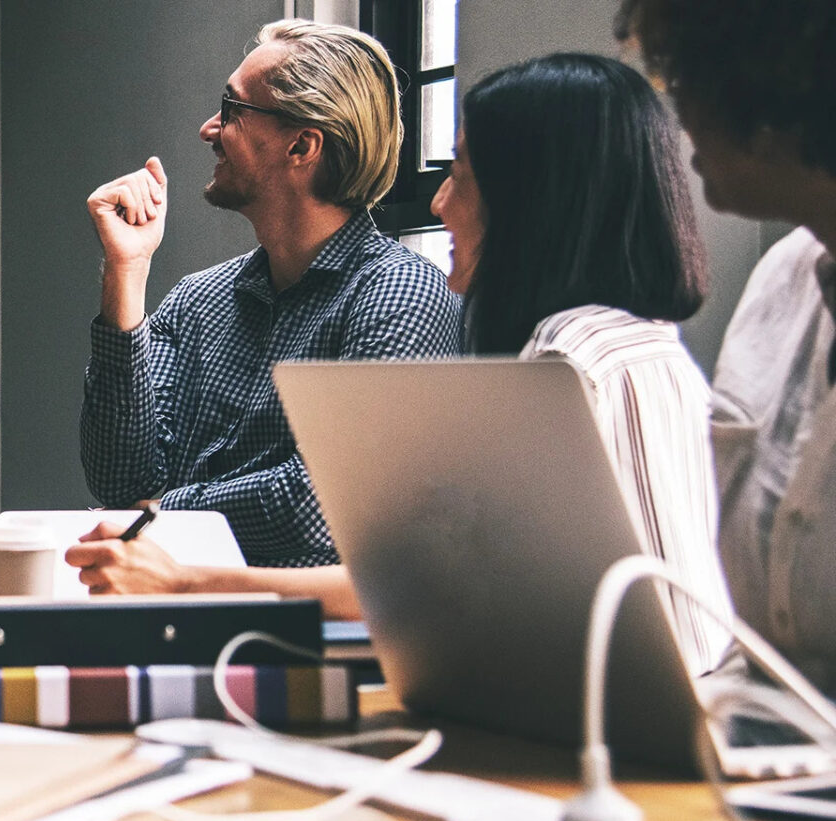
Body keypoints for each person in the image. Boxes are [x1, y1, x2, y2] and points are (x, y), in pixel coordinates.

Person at [69, 53, 735, 676]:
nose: (439, 204)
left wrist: (173, 547)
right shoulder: (619, 349)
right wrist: (125, 278)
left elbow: (413, 571)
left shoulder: (568, 364)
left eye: (459, 175)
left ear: (531, 202)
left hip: (629, 736)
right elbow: (120, 480)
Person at [79, 19, 461, 568]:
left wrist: (161, 513)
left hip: (297, 641)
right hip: (169, 618)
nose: (209, 128)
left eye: (232, 108)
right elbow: (119, 480)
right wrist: (126, 272)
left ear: (302, 146)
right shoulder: (197, 300)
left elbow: (320, 508)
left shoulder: (399, 292)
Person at [615, 0, 836, 690]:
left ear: (769, 90)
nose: (676, 113)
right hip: (768, 758)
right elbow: (768, 648)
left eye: (684, 81)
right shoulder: (781, 282)